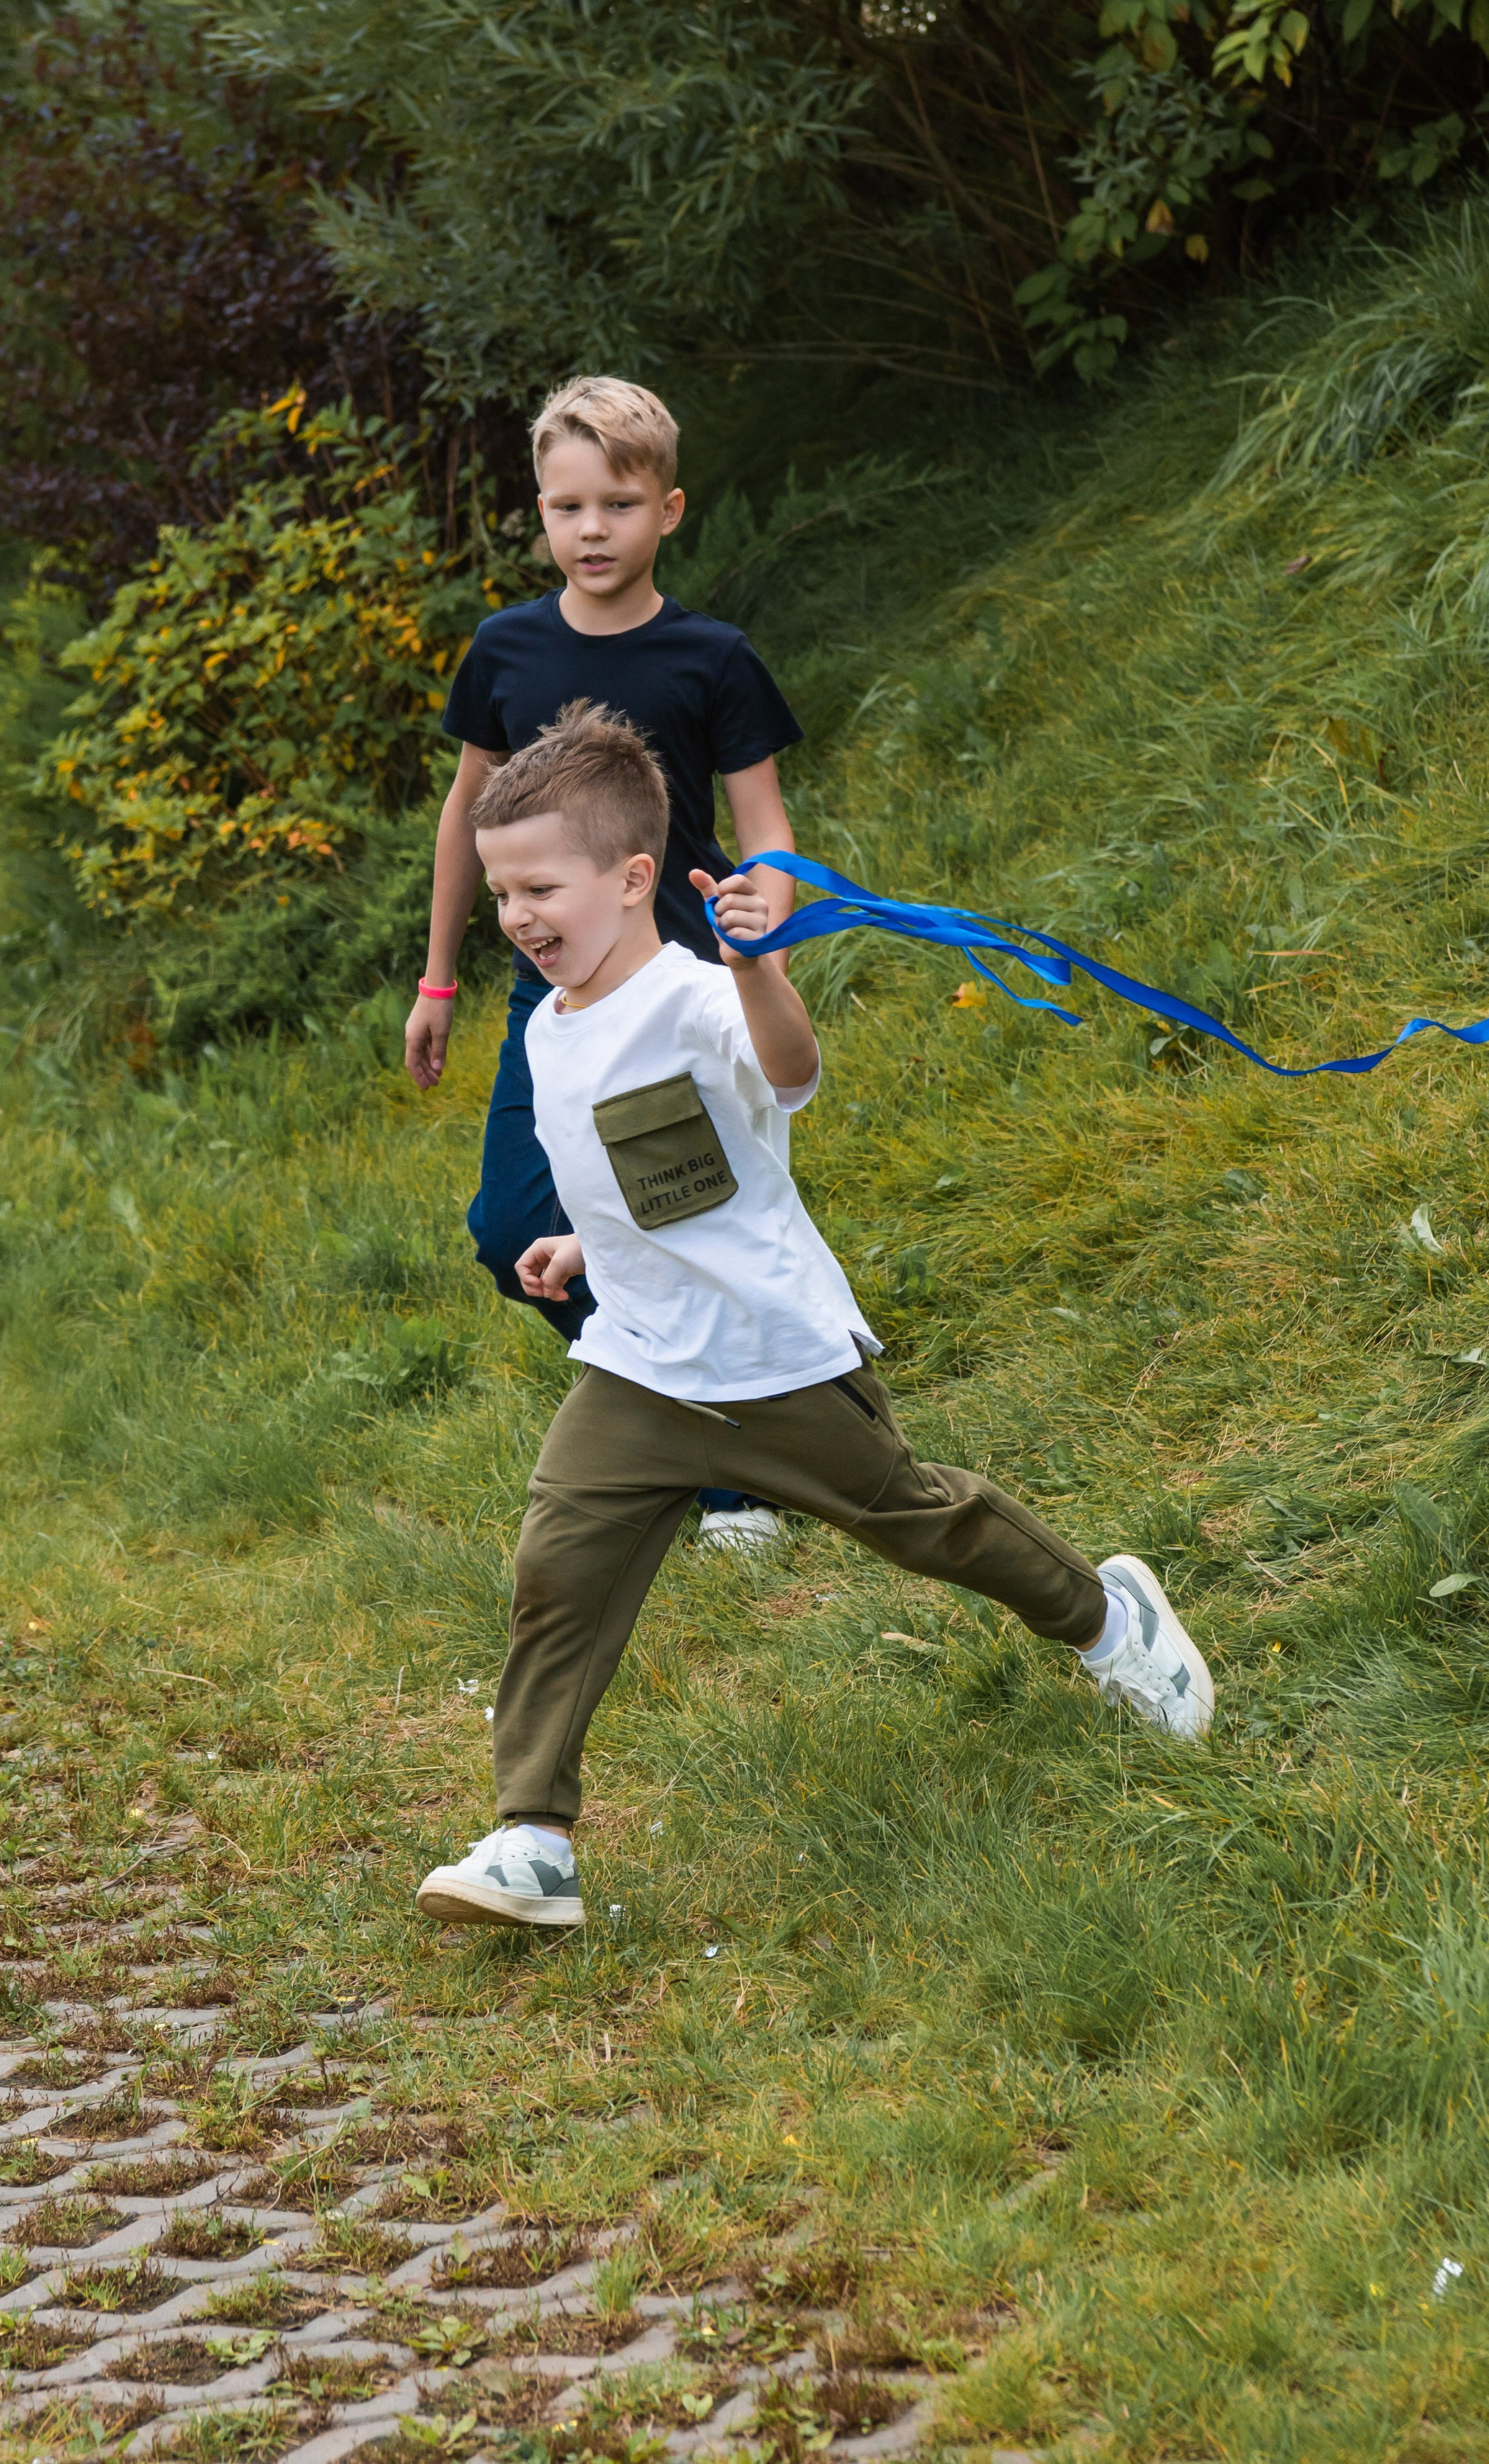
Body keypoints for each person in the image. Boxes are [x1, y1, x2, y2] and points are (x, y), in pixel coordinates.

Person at [415, 704, 1215, 1930]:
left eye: (539, 889)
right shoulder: (552, 1024)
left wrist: (756, 970)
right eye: (502, 892)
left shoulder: (693, 998)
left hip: (768, 1362)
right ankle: (535, 1839)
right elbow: (655, 1165)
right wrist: (584, 1241)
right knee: (557, 1572)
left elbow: (784, 1077)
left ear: (633, 881)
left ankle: (1108, 1617)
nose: (517, 917)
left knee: (919, 1523)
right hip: (636, 1369)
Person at [405, 374, 802, 1552]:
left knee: (679, 1215)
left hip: (680, 993)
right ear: (539, 513)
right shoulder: (506, 652)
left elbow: (766, 827)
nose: (592, 531)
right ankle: (696, 1415)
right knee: (508, 1227)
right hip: (551, 997)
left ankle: (734, 1477)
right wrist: (439, 981)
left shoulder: (711, 658)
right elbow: (464, 818)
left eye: (619, 505)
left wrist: (758, 909)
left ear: (668, 511)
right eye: (568, 507)